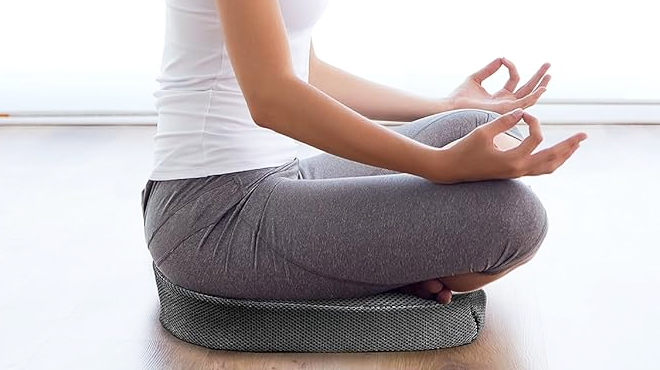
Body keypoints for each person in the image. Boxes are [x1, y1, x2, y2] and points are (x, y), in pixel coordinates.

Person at [141, 0, 587, 305]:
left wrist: (444, 106)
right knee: (515, 220)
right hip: (213, 215)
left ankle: (375, 258)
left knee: (477, 128)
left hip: (279, 176)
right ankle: (381, 264)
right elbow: (272, 98)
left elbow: (304, 70)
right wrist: (439, 166)